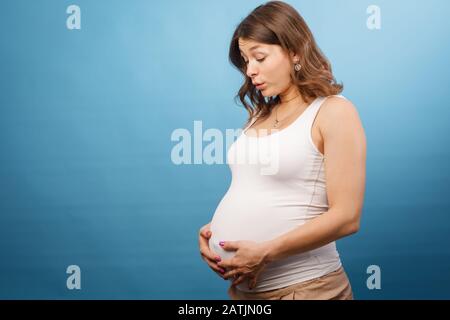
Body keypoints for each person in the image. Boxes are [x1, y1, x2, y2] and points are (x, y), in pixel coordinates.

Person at [198, 1, 366, 300]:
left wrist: (265, 251)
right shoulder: (258, 117)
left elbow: (347, 216)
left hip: (307, 289)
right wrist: (214, 232)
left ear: (294, 51)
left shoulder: (333, 112)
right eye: (245, 60)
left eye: (259, 57)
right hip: (246, 293)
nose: (250, 70)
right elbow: (262, 191)